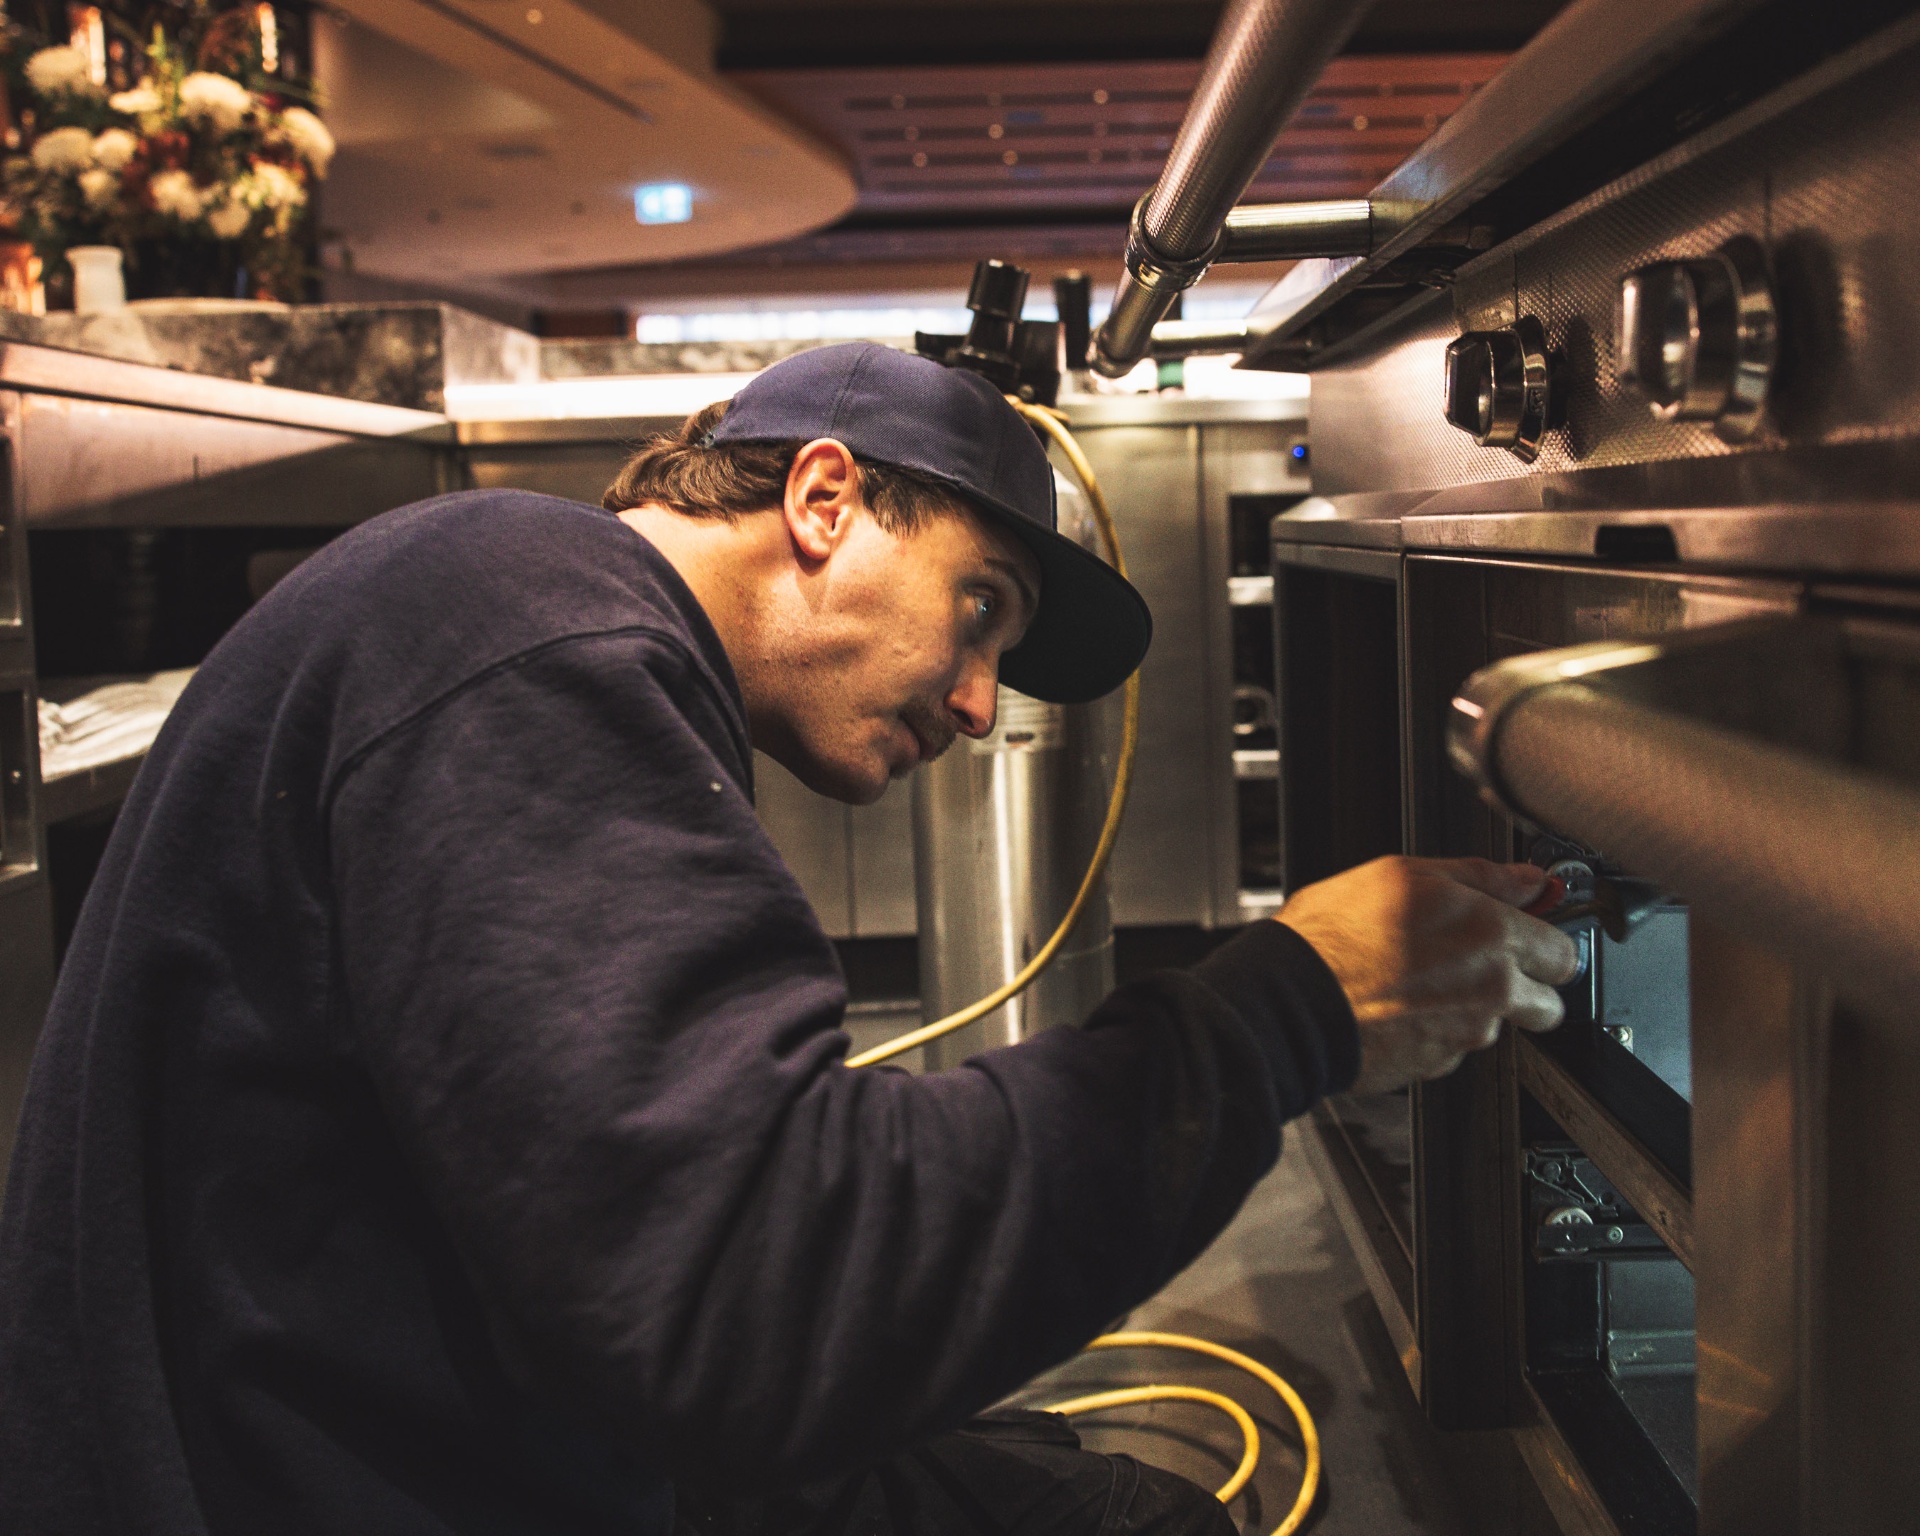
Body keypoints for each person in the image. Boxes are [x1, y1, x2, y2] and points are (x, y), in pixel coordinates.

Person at [0, 343, 1577, 1536]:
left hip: (448, 1420)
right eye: (981, 606)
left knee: (1072, 1487)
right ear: (825, 500)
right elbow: (762, 1295)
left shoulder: (521, 611)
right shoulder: (526, 628)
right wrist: (1296, 1006)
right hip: (323, 1484)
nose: (980, 705)